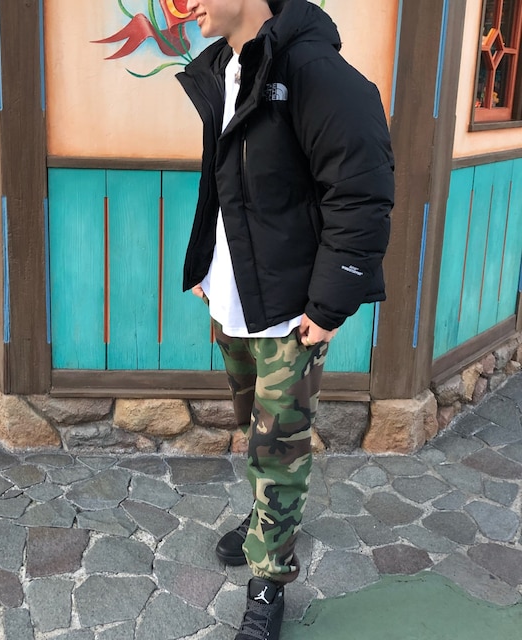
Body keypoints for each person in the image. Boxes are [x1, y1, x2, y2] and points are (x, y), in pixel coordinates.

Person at [177, 1, 394, 638]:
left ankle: (269, 578)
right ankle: (266, 518)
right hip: (233, 301)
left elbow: (361, 191)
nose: (184, 4)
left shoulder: (314, 71)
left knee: (279, 448)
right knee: (257, 429)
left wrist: (329, 306)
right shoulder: (223, 68)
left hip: (289, 316)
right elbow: (228, 186)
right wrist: (206, 266)